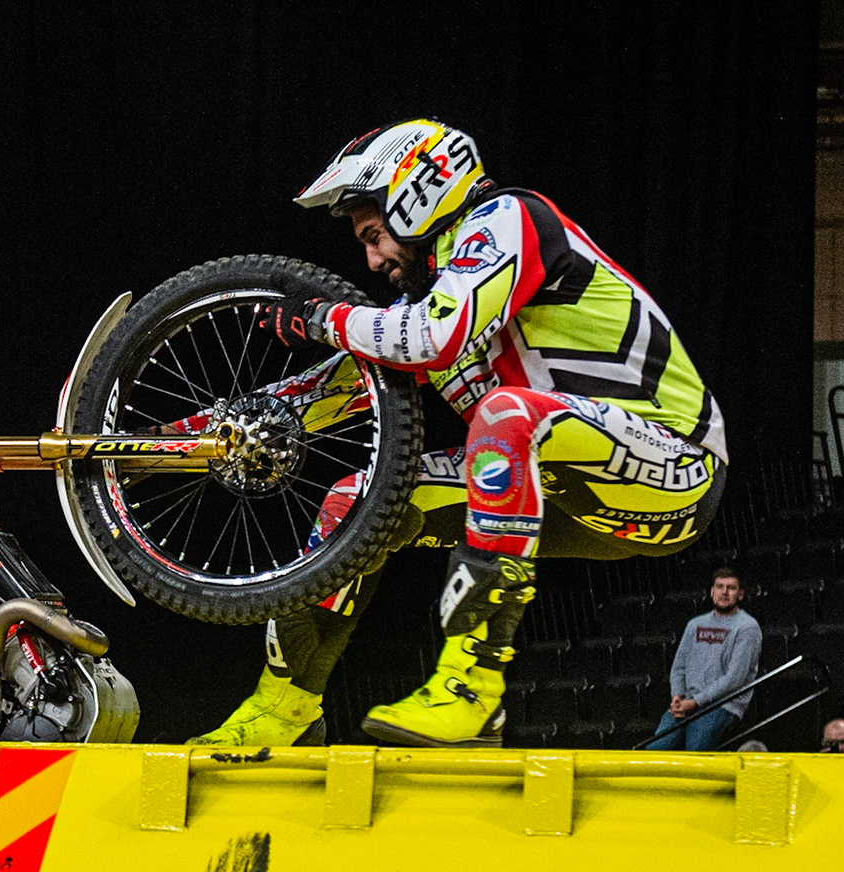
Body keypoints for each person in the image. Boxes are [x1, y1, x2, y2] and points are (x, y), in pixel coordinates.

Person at [188, 118, 728, 748]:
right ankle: (280, 711)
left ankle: (470, 692)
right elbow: (320, 395)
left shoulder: (509, 220)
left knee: (506, 414)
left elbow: (432, 336)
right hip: (558, 490)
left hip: (675, 467)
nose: (371, 259)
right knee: (355, 504)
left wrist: (322, 318)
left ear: (417, 194)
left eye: (373, 234)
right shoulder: (441, 297)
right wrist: (172, 440)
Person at [644, 567, 761, 751]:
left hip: (722, 705)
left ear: (740, 594)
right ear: (711, 592)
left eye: (730, 588)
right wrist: (677, 697)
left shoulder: (748, 627)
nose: (724, 592)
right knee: (655, 750)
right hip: (688, 703)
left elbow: (734, 679)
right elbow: (678, 668)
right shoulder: (695, 624)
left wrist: (695, 702)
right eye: (719, 587)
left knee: (695, 753)